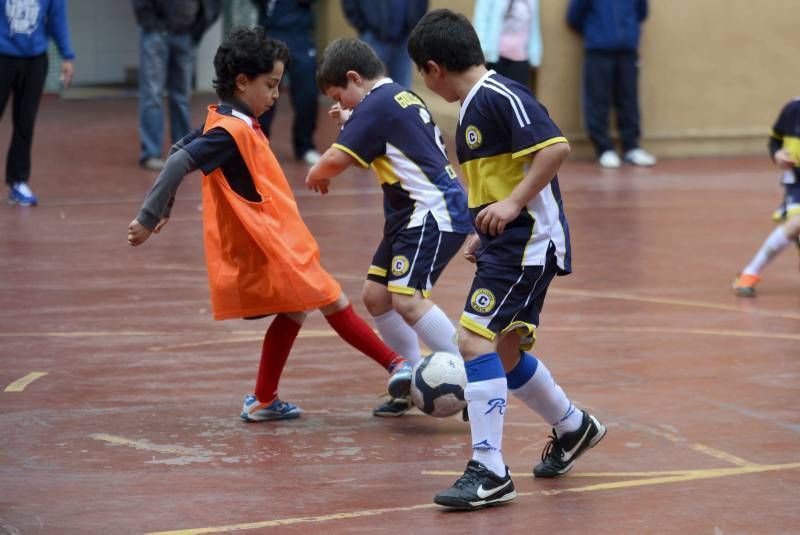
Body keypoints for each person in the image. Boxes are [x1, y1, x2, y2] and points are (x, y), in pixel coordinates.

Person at [126, 27, 413, 423]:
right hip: (273, 244)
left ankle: (263, 400)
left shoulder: (226, 118)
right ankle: (397, 364)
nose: (276, 95)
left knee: (295, 311)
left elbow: (178, 150)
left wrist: (167, 206)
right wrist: (150, 215)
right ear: (243, 82)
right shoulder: (231, 131)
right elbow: (177, 161)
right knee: (333, 299)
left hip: (276, 240)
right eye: (271, 85)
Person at [408, 9, 606, 510]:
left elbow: (555, 148)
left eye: (423, 75)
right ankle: (573, 426)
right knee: (506, 352)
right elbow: (493, 185)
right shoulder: (476, 105)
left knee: (473, 343)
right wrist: (485, 227)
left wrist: (514, 204)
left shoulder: (501, 95)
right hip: (508, 243)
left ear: (433, 68)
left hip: (530, 242)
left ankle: (490, 469)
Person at [306, 38, 473, 417]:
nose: (340, 104)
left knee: (408, 298)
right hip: (408, 215)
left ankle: (473, 374)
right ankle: (412, 379)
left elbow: (334, 159)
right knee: (377, 296)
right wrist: (352, 119)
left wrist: (317, 173)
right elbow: (388, 139)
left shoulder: (376, 105)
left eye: (339, 95)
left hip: (431, 212)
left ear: (354, 77)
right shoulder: (397, 97)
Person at [1, 0, 74, 206]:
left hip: (35, 60)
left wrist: (67, 56)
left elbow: (57, 20)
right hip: (2, 55)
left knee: (25, 123)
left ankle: (18, 182)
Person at [133, 0, 221, 171]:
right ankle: (151, 153)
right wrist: (150, 21)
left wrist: (198, 28)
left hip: (185, 33)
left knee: (181, 96)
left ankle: (183, 152)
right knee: (152, 95)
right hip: (155, 32)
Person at [567, 0, 655, 169]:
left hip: (628, 50)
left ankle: (631, 147)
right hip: (598, 49)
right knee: (597, 99)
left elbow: (642, 12)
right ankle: (603, 148)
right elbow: (574, 17)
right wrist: (596, 32)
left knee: (628, 98)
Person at [733, 97, 800, 297]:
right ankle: (749, 274)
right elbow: (775, 140)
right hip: (797, 181)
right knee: (797, 223)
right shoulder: (793, 109)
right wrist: (778, 155)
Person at [251, 0, 321, 166]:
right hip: (271, 32)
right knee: (265, 93)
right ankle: (260, 145)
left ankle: (305, 146)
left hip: (301, 35)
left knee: (308, 94)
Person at [341, 0, 428, 89]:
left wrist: (415, 22)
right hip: (373, 36)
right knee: (368, 87)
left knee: (402, 89)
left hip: (404, 38)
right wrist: (362, 26)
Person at [473, 0, 542, 92]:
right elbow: (481, 19)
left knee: (518, 99)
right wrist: (482, 51)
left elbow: (534, 25)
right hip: (494, 58)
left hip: (521, 59)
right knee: (494, 99)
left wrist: (535, 57)